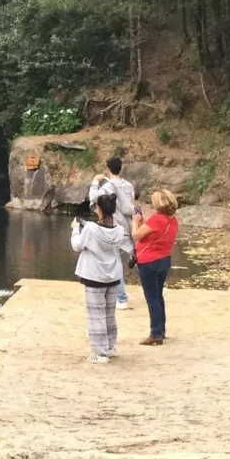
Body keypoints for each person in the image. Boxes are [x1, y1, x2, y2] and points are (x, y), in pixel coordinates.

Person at [71, 191, 128, 364]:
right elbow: (102, 230)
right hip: (113, 276)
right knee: (109, 313)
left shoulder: (89, 229)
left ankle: (100, 353)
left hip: (94, 276)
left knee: (95, 314)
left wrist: (75, 230)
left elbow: (77, 246)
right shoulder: (119, 231)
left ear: (99, 210)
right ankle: (110, 347)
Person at [132, 189, 181, 345]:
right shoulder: (172, 220)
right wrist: (143, 223)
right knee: (158, 295)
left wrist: (135, 222)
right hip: (164, 259)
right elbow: (152, 232)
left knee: (151, 297)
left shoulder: (156, 220)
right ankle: (161, 329)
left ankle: (156, 333)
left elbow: (136, 235)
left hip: (149, 261)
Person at [88, 156, 136, 309]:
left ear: (107, 169)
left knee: (115, 264)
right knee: (129, 260)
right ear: (121, 168)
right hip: (128, 228)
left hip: (113, 227)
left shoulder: (107, 186)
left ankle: (121, 298)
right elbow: (130, 203)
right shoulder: (128, 185)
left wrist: (95, 181)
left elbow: (93, 197)